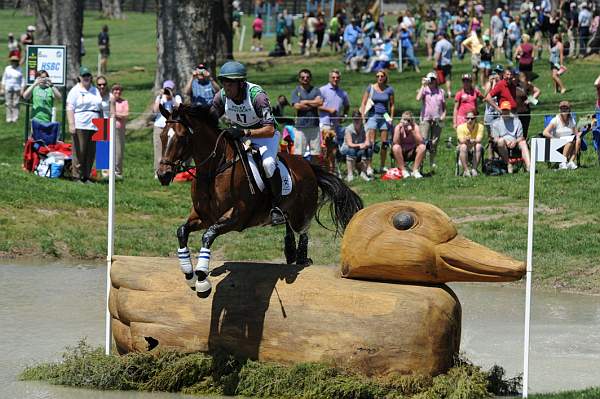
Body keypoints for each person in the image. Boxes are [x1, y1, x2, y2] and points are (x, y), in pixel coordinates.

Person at [210, 61, 285, 225]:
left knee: (268, 164)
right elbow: (209, 119)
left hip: (264, 136)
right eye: (224, 82)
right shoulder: (222, 96)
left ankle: (277, 207)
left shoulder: (257, 96)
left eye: (230, 83)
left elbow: (270, 129)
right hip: (240, 136)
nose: (226, 87)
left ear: (241, 83)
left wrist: (245, 132)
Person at [66, 66, 103, 183]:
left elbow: (100, 107)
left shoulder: (95, 90)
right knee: (79, 151)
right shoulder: (75, 91)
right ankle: (77, 175)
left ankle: (86, 176)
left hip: (95, 124)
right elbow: (70, 108)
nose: (86, 78)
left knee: (91, 152)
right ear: (79, 77)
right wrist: (71, 124)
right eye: (84, 76)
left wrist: (102, 123)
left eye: (88, 75)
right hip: (81, 124)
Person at [360, 70, 394, 174]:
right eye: (377, 76)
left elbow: (392, 104)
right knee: (371, 143)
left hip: (384, 115)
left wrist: (391, 117)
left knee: (384, 143)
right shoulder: (370, 88)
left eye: (381, 76)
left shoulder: (389, 89)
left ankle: (382, 166)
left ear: (385, 77)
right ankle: (369, 166)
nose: (379, 78)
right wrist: (363, 117)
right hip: (372, 115)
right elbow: (364, 103)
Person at [318, 69, 350, 174]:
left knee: (333, 149)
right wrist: (329, 110)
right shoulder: (322, 90)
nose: (335, 79)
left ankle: (332, 170)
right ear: (329, 78)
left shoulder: (343, 93)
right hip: (325, 123)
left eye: (337, 77)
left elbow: (347, 106)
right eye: (333, 77)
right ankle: (325, 170)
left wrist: (344, 115)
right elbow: (317, 105)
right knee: (325, 148)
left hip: (336, 125)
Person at [416, 71, 446, 172]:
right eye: (430, 79)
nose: (432, 81)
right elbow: (418, 98)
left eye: (433, 79)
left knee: (435, 141)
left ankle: (432, 161)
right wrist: (422, 85)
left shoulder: (441, 91)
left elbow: (444, 107)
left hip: (438, 119)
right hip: (425, 118)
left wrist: (443, 115)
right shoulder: (424, 90)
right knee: (423, 141)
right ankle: (420, 163)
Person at [290, 69, 323, 159]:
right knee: (298, 154)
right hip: (300, 126)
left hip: (314, 125)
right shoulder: (296, 91)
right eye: (303, 77)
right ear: (299, 79)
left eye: (307, 77)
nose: (305, 79)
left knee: (315, 154)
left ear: (310, 78)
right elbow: (297, 106)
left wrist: (304, 101)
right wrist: (313, 103)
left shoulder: (316, 90)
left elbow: (320, 103)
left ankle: (314, 172)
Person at [491, 100, 530, 173]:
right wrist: (505, 141)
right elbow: (495, 139)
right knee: (500, 141)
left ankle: (529, 166)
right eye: (504, 110)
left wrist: (515, 141)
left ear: (510, 110)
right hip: (502, 144)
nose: (505, 111)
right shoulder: (496, 123)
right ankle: (508, 164)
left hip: (515, 142)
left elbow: (521, 137)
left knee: (523, 143)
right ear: (501, 110)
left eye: (507, 110)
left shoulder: (517, 121)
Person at [152, 80, 182, 174]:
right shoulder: (160, 97)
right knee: (158, 149)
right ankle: (158, 170)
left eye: (170, 89)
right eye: (166, 89)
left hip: (171, 129)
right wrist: (161, 97)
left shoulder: (176, 97)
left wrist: (172, 98)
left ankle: (170, 170)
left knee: (170, 150)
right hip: (159, 126)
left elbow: (180, 108)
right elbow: (155, 110)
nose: (168, 91)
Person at [543, 100, 581, 170]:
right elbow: (545, 132)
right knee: (570, 142)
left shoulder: (571, 119)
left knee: (578, 140)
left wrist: (584, 131)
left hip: (569, 141)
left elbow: (576, 133)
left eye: (566, 108)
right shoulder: (555, 120)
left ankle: (571, 162)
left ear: (569, 109)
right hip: (557, 142)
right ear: (559, 109)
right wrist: (554, 138)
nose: (564, 110)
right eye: (562, 108)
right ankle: (563, 163)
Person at [392, 111, 426, 179]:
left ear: (411, 120)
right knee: (395, 147)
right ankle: (403, 171)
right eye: (404, 119)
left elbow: (420, 141)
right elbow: (395, 142)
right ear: (401, 119)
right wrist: (399, 129)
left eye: (408, 120)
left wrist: (412, 131)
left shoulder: (415, 127)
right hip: (401, 151)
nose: (406, 122)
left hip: (413, 151)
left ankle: (415, 171)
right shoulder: (398, 127)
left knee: (422, 147)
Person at [341, 110, 372, 182]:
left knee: (369, 150)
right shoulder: (348, 129)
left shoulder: (366, 128)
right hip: (347, 148)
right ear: (352, 119)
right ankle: (350, 174)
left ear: (361, 119)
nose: (356, 121)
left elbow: (367, 142)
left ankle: (364, 173)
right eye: (355, 119)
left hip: (361, 148)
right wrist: (360, 145)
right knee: (351, 150)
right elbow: (349, 144)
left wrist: (364, 145)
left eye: (358, 119)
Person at [456, 111, 484, 176]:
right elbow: (461, 141)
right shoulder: (460, 127)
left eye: (472, 118)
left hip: (474, 146)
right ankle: (466, 170)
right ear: (465, 119)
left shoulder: (480, 126)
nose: (470, 120)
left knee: (478, 146)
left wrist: (472, 140)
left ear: (475, 119)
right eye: (468, 118)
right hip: (464, 146)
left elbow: (479, 140)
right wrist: (467, 140)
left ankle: (474, 169)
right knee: (463, 146)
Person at [110, 83, 129, 179]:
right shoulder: (108, 100)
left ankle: (117, 171)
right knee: (105, 149)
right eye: (115, 89)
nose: (117, 91)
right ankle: (105, 171)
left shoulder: (124, 102)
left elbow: (125, 115)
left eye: (119, 90)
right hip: (106, 126)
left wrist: (114, 114)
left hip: (118, 128)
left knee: (118, 150)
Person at [515, 71, 540, 139]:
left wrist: (530, 100)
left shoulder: (525, 84)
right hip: (514, 112)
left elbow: (537, 91)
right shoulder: (510, 85)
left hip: (525, 111)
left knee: (524, 132)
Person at [1, 55, 24, 123]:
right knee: (8, 103)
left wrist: (22, 89)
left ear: (17, 62)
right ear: (11, 62)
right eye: (12, 61)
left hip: (17, 89)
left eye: (15, 61)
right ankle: (8, 118)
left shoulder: (20, 69)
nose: (13, 62)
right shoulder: (7, 68)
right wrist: (2, 88)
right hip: (8, 88)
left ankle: (15, 118)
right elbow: (4, 79)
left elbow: (22, 80)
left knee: (16, 103)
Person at [433, 32, 453, 98]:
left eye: (438, 35)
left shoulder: (439, 43)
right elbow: (451, 55)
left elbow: (438, 53)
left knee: (437, 78)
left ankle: (436, 92)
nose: (437, 37)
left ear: (441, 36)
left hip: (441, 64)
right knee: (448, 79)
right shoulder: (449, 44)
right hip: (448, 63)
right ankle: (449, 93)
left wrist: (435, 62)